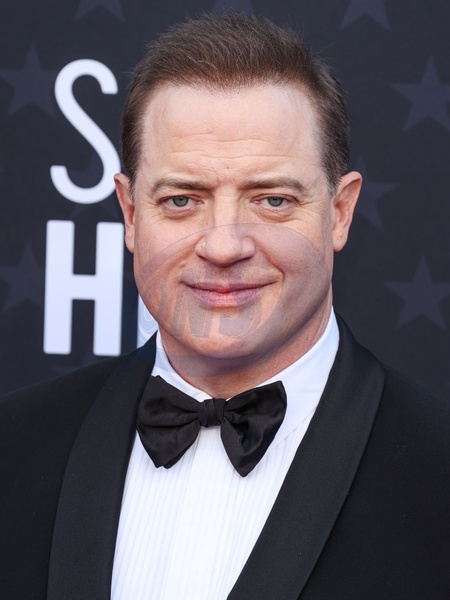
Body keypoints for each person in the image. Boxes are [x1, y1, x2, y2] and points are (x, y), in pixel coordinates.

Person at [1, 12, 449, 600]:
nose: (223, 246)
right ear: (131, 214)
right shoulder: (14, 447)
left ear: (339, 212)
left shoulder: (436, 473)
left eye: (272, 200)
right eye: (182, 200)